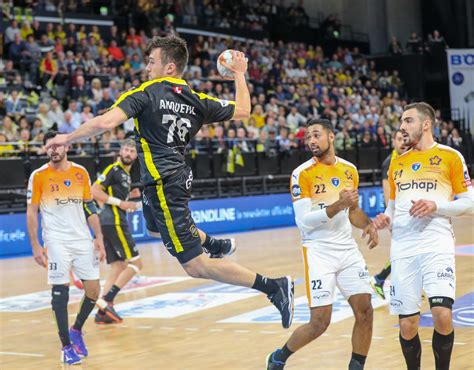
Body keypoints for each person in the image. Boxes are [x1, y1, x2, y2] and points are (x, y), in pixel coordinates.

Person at [44, 36, 294, 329]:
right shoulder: (197, 99)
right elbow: (243, 111)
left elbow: (104, 123)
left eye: (152, 62)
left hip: (164, 184)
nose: (147, 67)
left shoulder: (145, 92)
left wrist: (66, 137)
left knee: (196, 267)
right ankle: (215, 242)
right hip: (167, 180)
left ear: (170, 66)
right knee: (153, 229)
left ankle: (273, 287)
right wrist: (239, 74)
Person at [266, 119, 378, 370]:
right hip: (319, 251)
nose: (311, 141)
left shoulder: (349, 169)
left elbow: (353, 213)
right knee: (320, 322)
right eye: (308, 137)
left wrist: (368, 224)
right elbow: (304, 222)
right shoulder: (302, 173)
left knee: (365, 311)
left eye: (316, 135)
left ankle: (356, 366)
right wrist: (338, 204)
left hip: (347, 249)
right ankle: (279, 357)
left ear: (331, 136)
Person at [373, 102, 473, 370]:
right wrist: (385, 219)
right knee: (407, 325)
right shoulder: (398, 163)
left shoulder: (451, 156)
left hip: (436, 245)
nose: (402, 127)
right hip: (403, 249)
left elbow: (470, 203)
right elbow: (393, 208)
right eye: (401, 122)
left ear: (426, 124)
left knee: (442, 315)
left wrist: (436, 206)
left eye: (408, 121)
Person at [92, 139, 235, 324]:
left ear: (136, 155)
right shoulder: (113, 169)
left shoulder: (126, 175)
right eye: (125, 149)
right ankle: (107, 300)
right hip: (114, 222)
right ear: (120, 151)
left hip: (111, 221)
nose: (128, 153)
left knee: (118, 266)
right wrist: (121, 203)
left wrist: (128, 196)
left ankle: (102, 311)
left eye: (131, 150)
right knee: (136, 264)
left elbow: (113, 193)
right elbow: (94, 190)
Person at [26, 131, 106, 365]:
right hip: (56, 241)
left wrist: (98, 236)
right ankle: (66, 346)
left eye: (57, 145)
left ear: (66, 147)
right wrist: (35, 245)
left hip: (82, 240)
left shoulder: (80, 172)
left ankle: (76, 330)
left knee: (93, 291)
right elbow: (32, 212)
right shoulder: (38, 175)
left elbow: (89, 206)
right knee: (60, 290)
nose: (53, 149)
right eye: (48, 146)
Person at [370, 130, 407, 299]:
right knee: (403, 253)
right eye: (398, 139)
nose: (402, 142)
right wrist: (391, 218)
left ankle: (387, 281)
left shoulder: (406, 158)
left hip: (407, 213)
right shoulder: (389, 162)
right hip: (398, 215)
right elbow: (388, 195)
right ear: (393, 141)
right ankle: (379, 278)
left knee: (407, 252)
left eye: (404, 139)